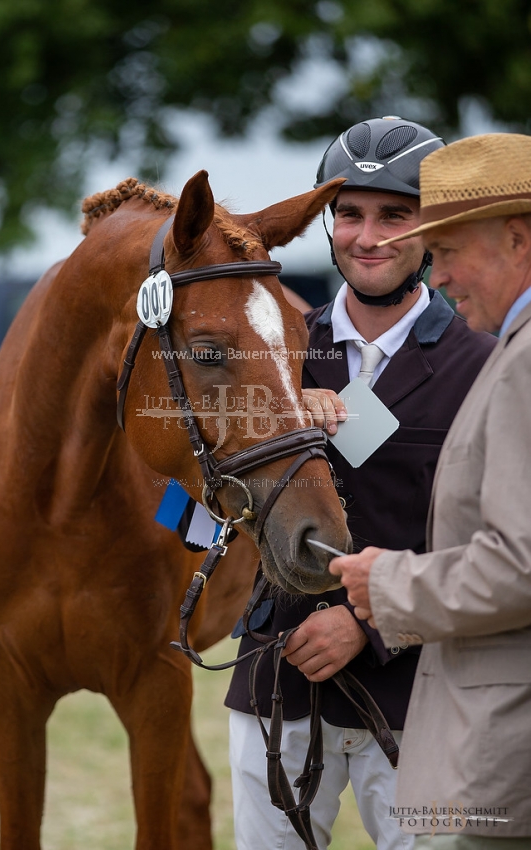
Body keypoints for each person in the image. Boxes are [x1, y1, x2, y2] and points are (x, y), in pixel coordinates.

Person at [224, 117, 497, 850]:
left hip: (419, 697)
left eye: (393, 214)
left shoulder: (490, 361)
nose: (366, 235)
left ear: (432, 226)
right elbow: (218, 502)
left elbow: (495, 546)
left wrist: (369, 623)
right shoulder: (276, 352)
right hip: (277, 685)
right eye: (349, 214)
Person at [332, 132, 531, 850]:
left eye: (443, 251)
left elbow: (521, 564)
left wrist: (383, 594)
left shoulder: (516, 359)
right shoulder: (292, 342)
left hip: (496, 746)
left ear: (516, 238)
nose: (436, 275)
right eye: (350, 214)